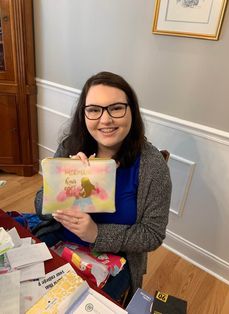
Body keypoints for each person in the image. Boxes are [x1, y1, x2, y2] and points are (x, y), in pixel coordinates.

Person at [34, 71, 172, 303]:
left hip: (115, 260)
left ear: (131, 111)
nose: (105, 119)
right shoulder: (70, 146)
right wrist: (67, 183)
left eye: (116, 108)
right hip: (59, 239)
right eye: (94, 109)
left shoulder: (152, 166)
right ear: (84, 114)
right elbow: (40, 206)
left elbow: (153, 235)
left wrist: (96, 233)